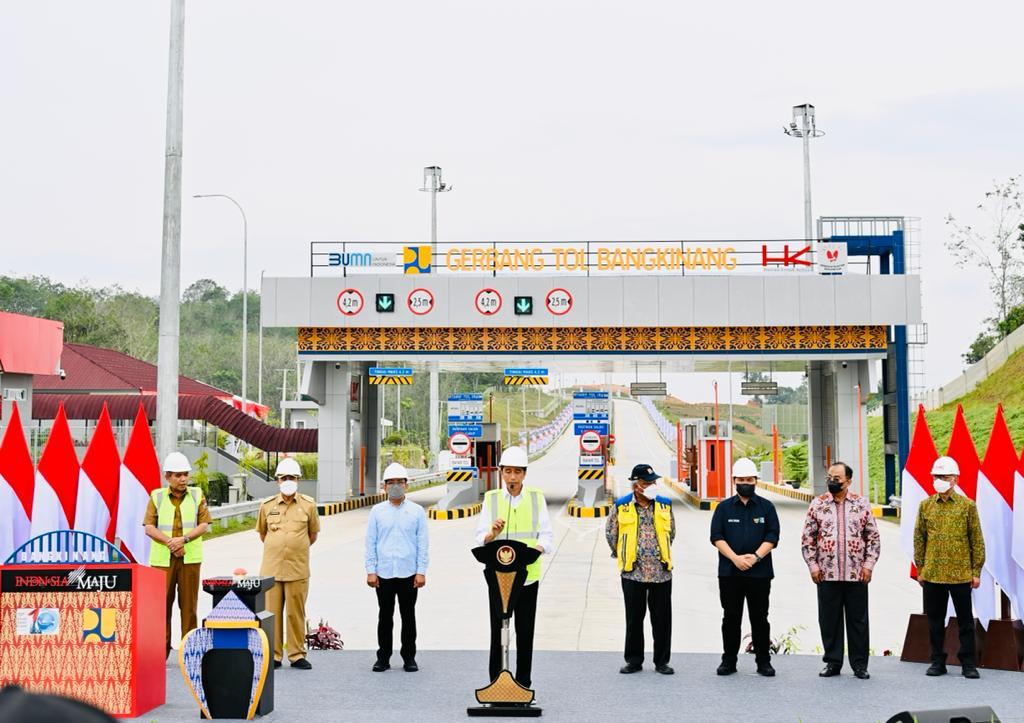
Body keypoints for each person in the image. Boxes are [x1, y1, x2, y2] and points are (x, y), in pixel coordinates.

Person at [474, 445, 553, 688]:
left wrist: (536, 550)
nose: (512, 477)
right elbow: (480, 538)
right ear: (501, 473)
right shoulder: (492, 499)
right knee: (498, 631)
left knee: (525, 631)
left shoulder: (536, 497)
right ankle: (495, 683)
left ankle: (523, 683)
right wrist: (492, 533)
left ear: (524, 474)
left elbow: (546, 535)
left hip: (527, 576)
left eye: (517, 472)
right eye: (507, 472)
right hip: (499, 578)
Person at [800, 462, 881, 680]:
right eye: (830, 477)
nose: (832, 482)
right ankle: (833, 662)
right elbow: (808, 539)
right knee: (829, 620)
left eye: (837, 478)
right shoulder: (818, 504)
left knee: (858, 621)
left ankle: (860, 665)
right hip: (827, 574)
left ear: (848, 481)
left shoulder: (861, 504)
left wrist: (868, 565)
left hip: (856, 574)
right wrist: (813, 565)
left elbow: (872, 537)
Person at [914, 456, 986, 679]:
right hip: (933, 574)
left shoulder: (968, 506)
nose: (939, 480)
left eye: (943, 477)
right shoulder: (925, 505)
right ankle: (937, 661)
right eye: (936, 476)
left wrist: (976, 571)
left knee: (965, 621)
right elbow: (919, 538)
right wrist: (921, 568)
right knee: (935, 621)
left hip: (961, 574)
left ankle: (968, 663)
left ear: (954, 480)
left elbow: (977, 540)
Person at [709, 457, 781, 677]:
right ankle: (728, 661)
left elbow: (773, 536)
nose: (745, 483)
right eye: (741, 479)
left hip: (759, 574)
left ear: (756, 481)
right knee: (731, 618)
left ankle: (763, 661)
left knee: (760, 618)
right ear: (734, 481)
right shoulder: (723, 508)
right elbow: (716, 537)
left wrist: (756, 558)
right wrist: (735, 559)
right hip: (730, 573)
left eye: (749, 479)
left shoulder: (767, 508)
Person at [606, 463, 676, 675]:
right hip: (633, 572)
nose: (652, 485)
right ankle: (634, 660)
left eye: (653, 482)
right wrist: (626, 554)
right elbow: (611, 534)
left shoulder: (664, 505)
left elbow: (671, 533)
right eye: (647, 483)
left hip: (660, 572)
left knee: (662, 620)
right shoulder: (621, 506)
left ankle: (662, 661)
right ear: (636, 486)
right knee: (634, 618)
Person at [143, 451, 211, 658]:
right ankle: (160, 651)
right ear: (167, 477)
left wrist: (184, 540)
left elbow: (205, 525)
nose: (183, 479)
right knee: (162, 605)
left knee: (189, 605)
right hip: (163, 560)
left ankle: (189, 650)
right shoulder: (157, 496)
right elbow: (149, 527)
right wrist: (171, 543)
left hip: (189, 558)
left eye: (185, 474)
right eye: (178, 475)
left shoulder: (197, 495)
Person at [257, 457, 320, 670]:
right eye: (284, 477)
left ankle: (296, 654)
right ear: (277, 480)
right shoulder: (266, 506)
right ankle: (274, 655)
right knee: (271, 614)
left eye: (292, 477)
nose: (288, 481)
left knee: (296, 613)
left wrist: (294, 546)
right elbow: (263, 534)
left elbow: (313, 535)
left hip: (297, 568)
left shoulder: (308, 505)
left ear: (298, 479)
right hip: (272, 570)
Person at [365, 462, 429, 672]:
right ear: (384, 487)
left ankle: (409, 657)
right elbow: (370, 542)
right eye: (390, 483)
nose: (395, 486)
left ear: (406, 485)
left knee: (408, 616)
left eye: (399, 482)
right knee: (385, 616)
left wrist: (421, 571)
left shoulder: (417, 512)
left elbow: (423, 543)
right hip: (383, 573)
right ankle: (383, 657)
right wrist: (371, 570)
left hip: (408, 572)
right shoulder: (377, 511)